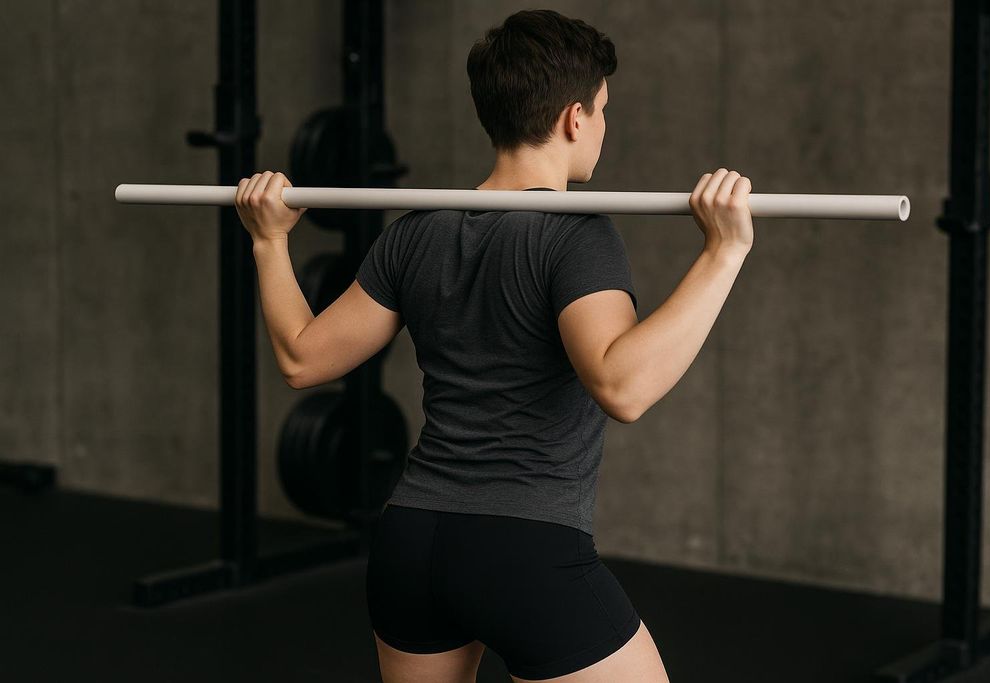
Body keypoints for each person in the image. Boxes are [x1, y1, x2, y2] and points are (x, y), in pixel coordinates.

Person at [234, 8, 753, 682]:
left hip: (411, 542)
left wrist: (269, 242)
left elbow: (302, 358)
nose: (603, 125)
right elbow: (623, 387)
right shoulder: (574, 236)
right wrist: (725, 251)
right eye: (602, 110)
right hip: (524, 551)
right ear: (573, 118)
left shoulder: (416, 231)